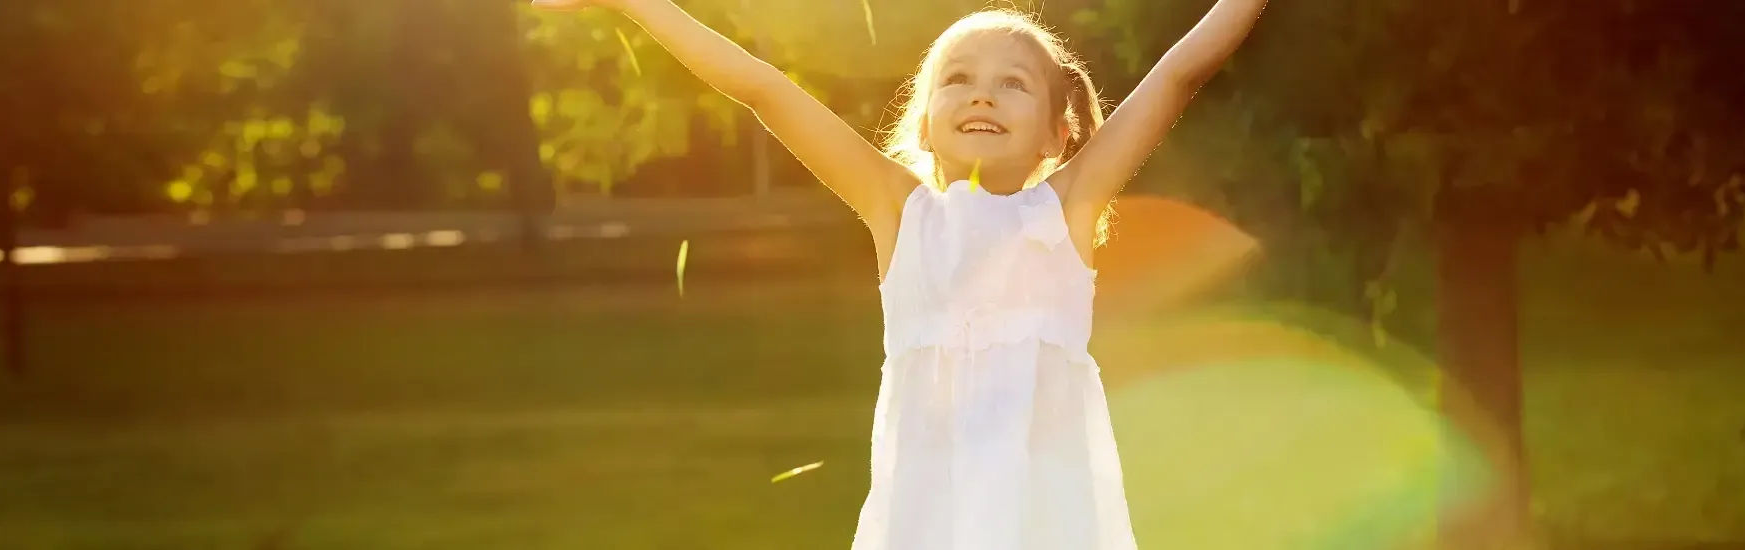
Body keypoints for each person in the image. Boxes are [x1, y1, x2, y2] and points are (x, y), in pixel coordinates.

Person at [532, 1, 1268, 548]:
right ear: (922, 123)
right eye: (957, 79)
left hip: (1048, 521)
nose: (981, 94)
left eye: (1013, 83)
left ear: (1058, 131)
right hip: (926, 522)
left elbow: (1177, 74)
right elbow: (762, 89)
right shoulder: (899, 212)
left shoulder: (1066, 209)